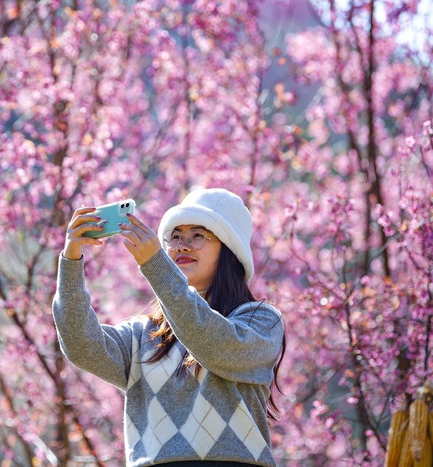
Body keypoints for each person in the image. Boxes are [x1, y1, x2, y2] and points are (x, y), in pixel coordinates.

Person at [53, 188, 286, 467]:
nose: (182, 246)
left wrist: (155, 265)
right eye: (175, 236)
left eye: (198, 235)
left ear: (230, 250)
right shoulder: (144, 333)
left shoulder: (260, 321)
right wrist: (71, 261)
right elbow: (81, 347)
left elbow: (211, 345)